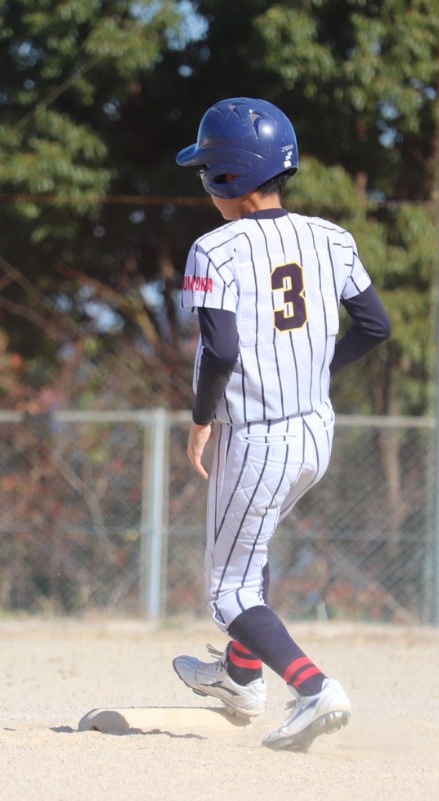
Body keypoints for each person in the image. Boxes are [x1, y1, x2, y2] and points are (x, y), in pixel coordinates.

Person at [170, 98, 392, 752]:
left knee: (225, 592)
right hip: (315, 433)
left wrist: (201, 420)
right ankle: (240, 676)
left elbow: (223, 352)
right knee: (253, 548)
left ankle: (314, 686)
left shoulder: (212, 249)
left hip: (257, 436)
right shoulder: (334, 237)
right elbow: (375, 326)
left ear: (226, 179)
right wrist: (319, 371)